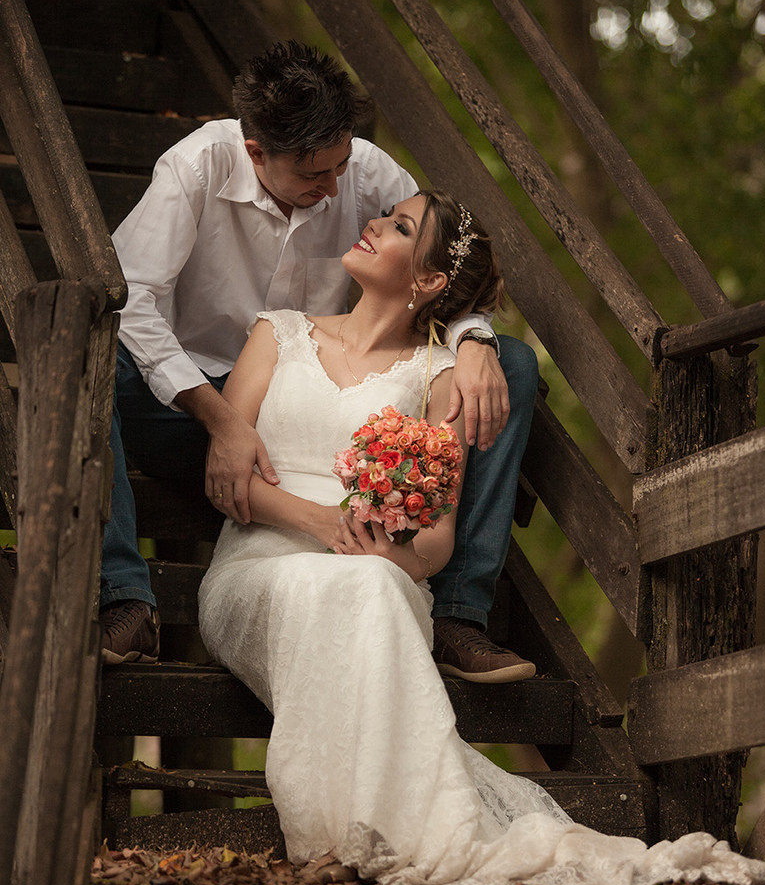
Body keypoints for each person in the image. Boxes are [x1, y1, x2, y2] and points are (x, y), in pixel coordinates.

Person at [197, 191, 765, 885]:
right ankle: (369, 827)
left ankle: (391, 830)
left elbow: (436, 543)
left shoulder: (439, 377)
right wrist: (325, 525)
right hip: (259, 565)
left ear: (427, 283)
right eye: (386, 215)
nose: (374, 224)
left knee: (379, 586)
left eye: (399, 227)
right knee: (363, 588)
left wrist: (391, 553)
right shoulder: (278, 334)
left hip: (372, 575)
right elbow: (226, 482)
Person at [100, 41, 539, 682]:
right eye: (314, 176)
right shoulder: (196, 166)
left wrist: (472, 340)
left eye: (341, 166)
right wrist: (222, 421)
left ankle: (459, 616)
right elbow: (130, 298)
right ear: (257, 153)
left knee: (514, 366)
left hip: (322, 418)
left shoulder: (364, 171)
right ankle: (127, 599)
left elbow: (442, 261)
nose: (337, 188)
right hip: (190, 406)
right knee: (95, 363)